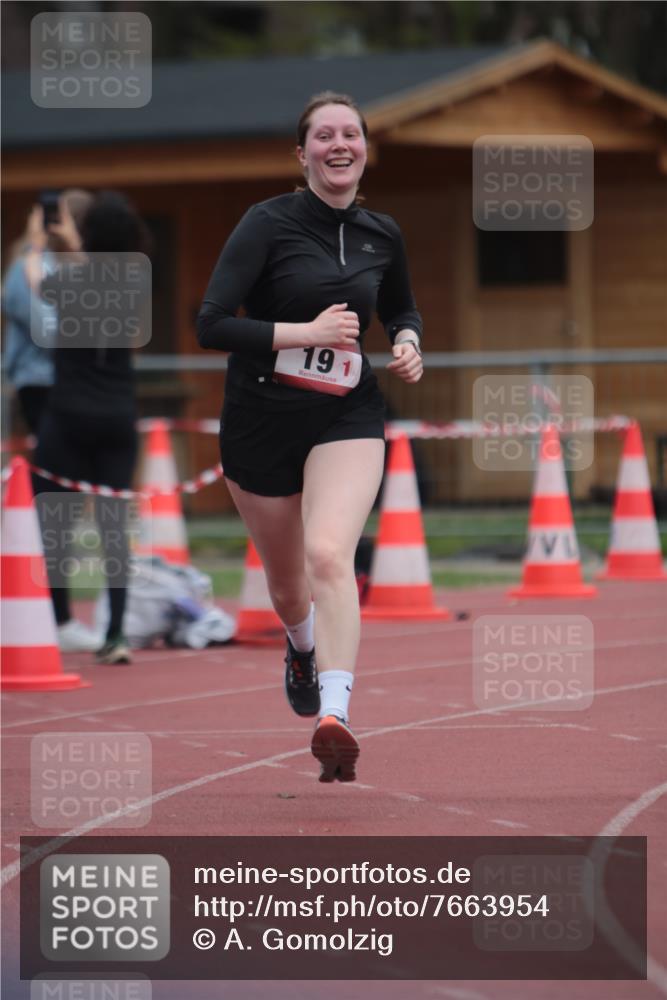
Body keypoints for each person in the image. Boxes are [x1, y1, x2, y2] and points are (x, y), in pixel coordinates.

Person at [197, 92, 423, 782]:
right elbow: (210, 323)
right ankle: (299, 647)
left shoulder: (382, 232)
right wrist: (306, 334)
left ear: (363, 149)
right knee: (289, 584)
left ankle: (336, 714)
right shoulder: (266, 223)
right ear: (303, 155)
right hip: (260, 419)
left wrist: (409, 340)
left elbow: (399, 305)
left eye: (349, 133)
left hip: (343, 416)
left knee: (330, 553)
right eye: (323, 135)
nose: (338, 144)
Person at [33, 191, 148, 663]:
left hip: (67, 417)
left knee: (54, 525)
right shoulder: (136, 279)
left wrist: (43, 240)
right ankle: (115, 633)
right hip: (118, 417)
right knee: (114, 529)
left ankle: (59, 619)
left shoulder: (71, 279)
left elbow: (35, 281)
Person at [2, 192, 92, 437]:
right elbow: (47, 332)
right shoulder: (29, 266)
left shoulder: (73, 267)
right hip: (42, 382)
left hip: (70, 381)